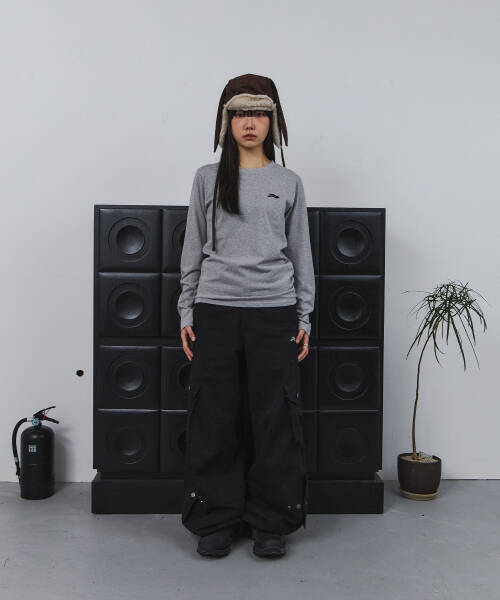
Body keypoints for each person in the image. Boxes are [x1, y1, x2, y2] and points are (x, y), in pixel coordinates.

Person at [177, 73, 315, 558]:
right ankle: (216, 519)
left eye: (258, 113)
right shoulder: (206, 178)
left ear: (272, 121)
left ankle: (270, 521)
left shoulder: (288, 182)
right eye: (239, 113)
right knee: (214, 417)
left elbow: (301, 253)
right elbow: (193, 247)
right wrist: (186, 309)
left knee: (274, 419)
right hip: (215, 310)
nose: (249, 122)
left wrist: (304, 316)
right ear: (226, 121)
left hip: (273, 311)